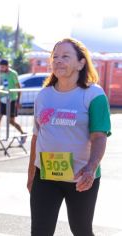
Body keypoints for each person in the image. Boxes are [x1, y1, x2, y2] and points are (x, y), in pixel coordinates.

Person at [27, 38, 111, 236]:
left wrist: (90, 169)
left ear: (81, 63)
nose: (58, 61)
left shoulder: (94, 95)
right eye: (55, 56)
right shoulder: (44, 95)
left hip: (82, 178)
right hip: (45, 175)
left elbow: (99, 137)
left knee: (81, 230)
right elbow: (35, 137)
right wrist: (31, 175)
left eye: (65, 56)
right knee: (40, 231)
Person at [0, 59, 26, 147]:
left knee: (11, 121)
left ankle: (23, 133)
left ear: (7, 66)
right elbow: (5, 86)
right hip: (3, 99)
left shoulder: (13, 74)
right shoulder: (2, 74)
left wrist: (18, 101)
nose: (1, 68)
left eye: (2, 67)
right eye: (0, 67)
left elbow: (18, 88)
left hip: (12, 100)